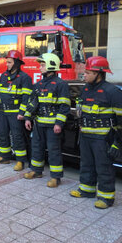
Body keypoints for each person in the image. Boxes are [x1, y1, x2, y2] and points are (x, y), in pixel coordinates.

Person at [69, 56, 122, 209]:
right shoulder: (85, 89)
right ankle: (86, 190)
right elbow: (81, 109)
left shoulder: (112, 91)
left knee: (103, 167)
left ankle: (106, 197)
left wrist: (117, 141)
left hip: (102, 138)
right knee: (86, 164)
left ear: (99, 73)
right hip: (86, 135)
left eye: (88, 72)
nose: (85, 75)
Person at [22, 53, 70, 187]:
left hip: (52, 126)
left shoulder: (61, 85)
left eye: (42, 65)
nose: (40, 68)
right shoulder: (38, 84)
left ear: (51, 65)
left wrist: (59, 123)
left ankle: (56, 177)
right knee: (36, 148)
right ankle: (36, 171)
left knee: (54, 151)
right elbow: (32, 103)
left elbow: (64, 106)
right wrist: (27, 118)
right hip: (39, 124)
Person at [0, 50, 33, 170]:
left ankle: (20, 161)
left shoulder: (24, 78)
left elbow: (26, 98)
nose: (7, 64)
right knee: (2, 135)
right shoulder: (4, 76)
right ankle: (4, 157)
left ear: (16, 63)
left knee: (17, 137)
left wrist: (22, 113)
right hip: (3, 112)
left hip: (15, 113)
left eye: (9, 62)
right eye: (7, 62)